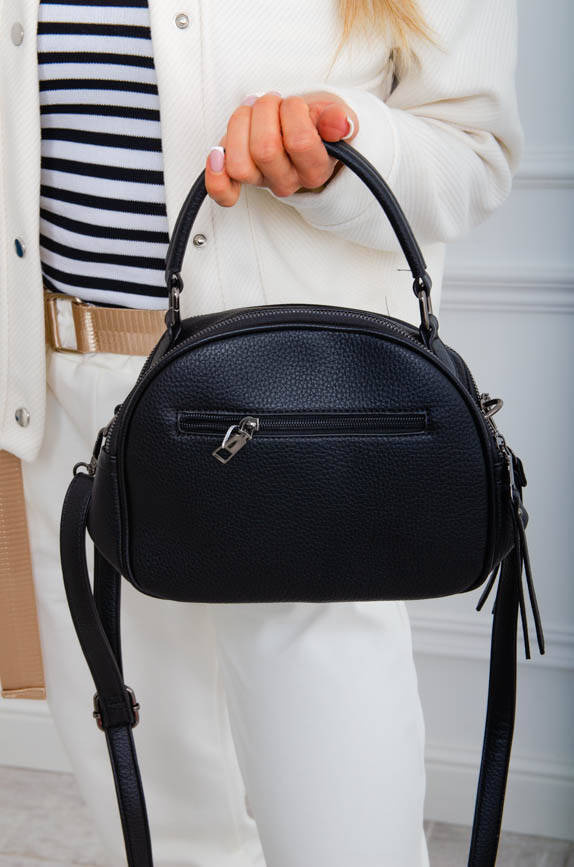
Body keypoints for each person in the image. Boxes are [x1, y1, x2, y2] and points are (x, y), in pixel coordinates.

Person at [0, 0, 523, 864]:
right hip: (65, 413)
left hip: (307, 429)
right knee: (161, 834)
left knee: (348, 841)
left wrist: (341, 148)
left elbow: (476, 151)